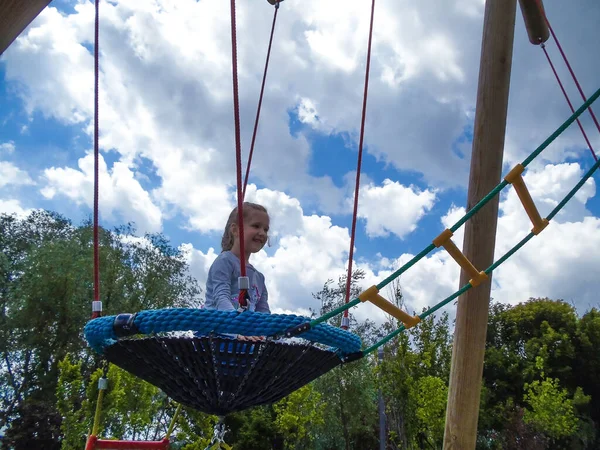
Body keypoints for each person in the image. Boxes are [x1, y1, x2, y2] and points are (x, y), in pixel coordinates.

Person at [204, 202, 271, 341]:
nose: (262, 233)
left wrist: (266, 332)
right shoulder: (225, 261)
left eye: (266, 229)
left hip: (244, 335)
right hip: (216, 333)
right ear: (235, 230)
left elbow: (263, 311)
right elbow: (220, 297)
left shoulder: (259, 277)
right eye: (256, 226)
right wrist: (235, 328)